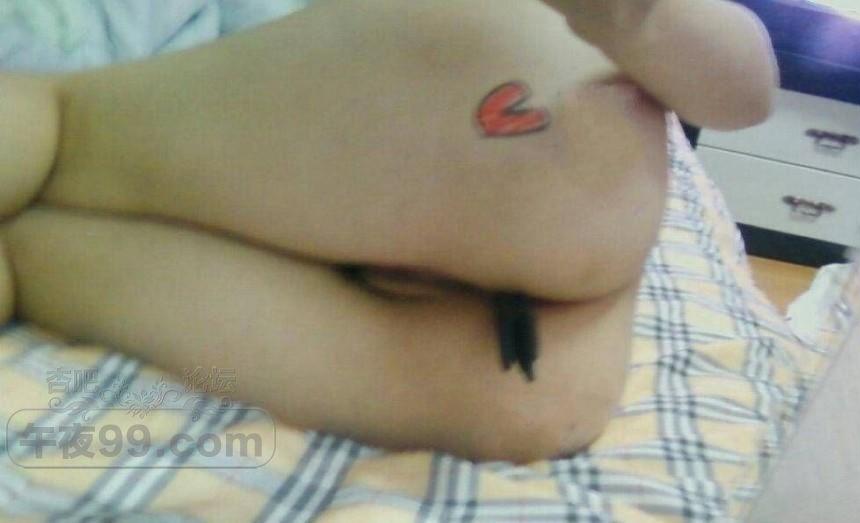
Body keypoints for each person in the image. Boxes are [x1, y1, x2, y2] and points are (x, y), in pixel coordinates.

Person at [0, 0, 777, 462]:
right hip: (446, 152)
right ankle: (42, 191)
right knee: (67, 129)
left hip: (534, 240)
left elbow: (746, 95)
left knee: (542, 403)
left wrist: (642, 18)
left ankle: (35, 245)